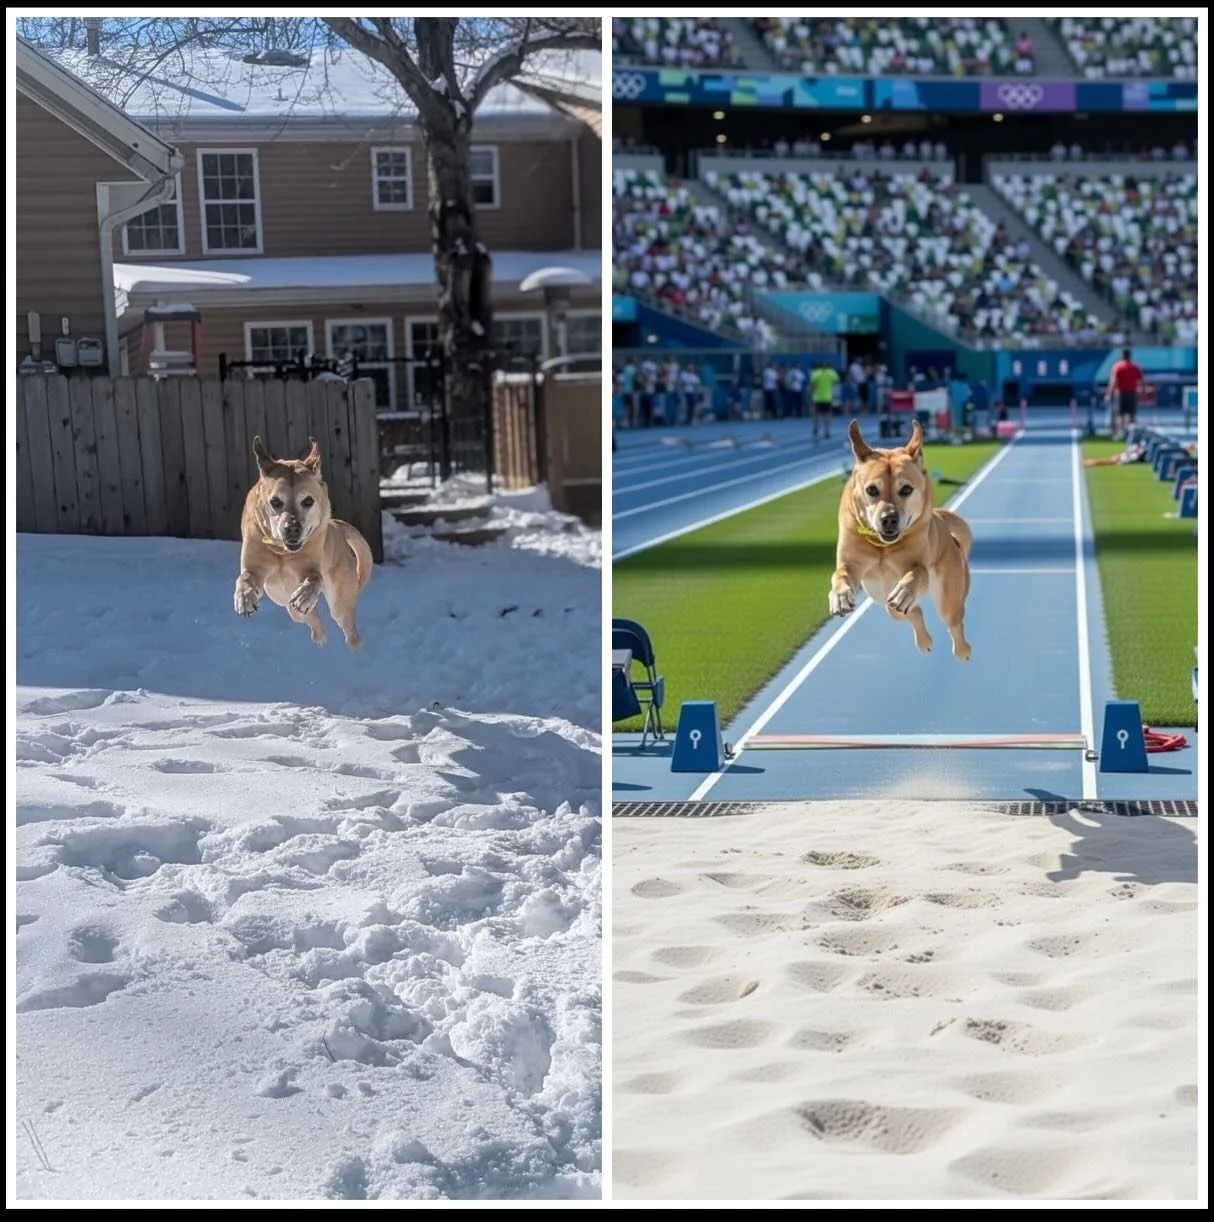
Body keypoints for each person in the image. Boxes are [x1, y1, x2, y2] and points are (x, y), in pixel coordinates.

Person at [1106, 347, 1145, 439]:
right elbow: (1141, 381)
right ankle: (1132, 434)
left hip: (1120, 394)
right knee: (1132, 415)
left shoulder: (1117, 367)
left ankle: (1121, 433)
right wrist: (1142, 392)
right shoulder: (1135, 367)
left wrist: (1109, 393)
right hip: (1132, 393)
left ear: (1122, 356)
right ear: (1130, 356)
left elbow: (1114, 381)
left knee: (1120, 415)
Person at [809, 360, 840, 442]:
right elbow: (837, 379)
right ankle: (826, 431)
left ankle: (815, 427)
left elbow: (812, 385)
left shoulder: (815, 374)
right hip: (827, 397)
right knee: (827, 415)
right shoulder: (830, 373)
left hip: (817, 397)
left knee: (816, 414)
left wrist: (811, 395)